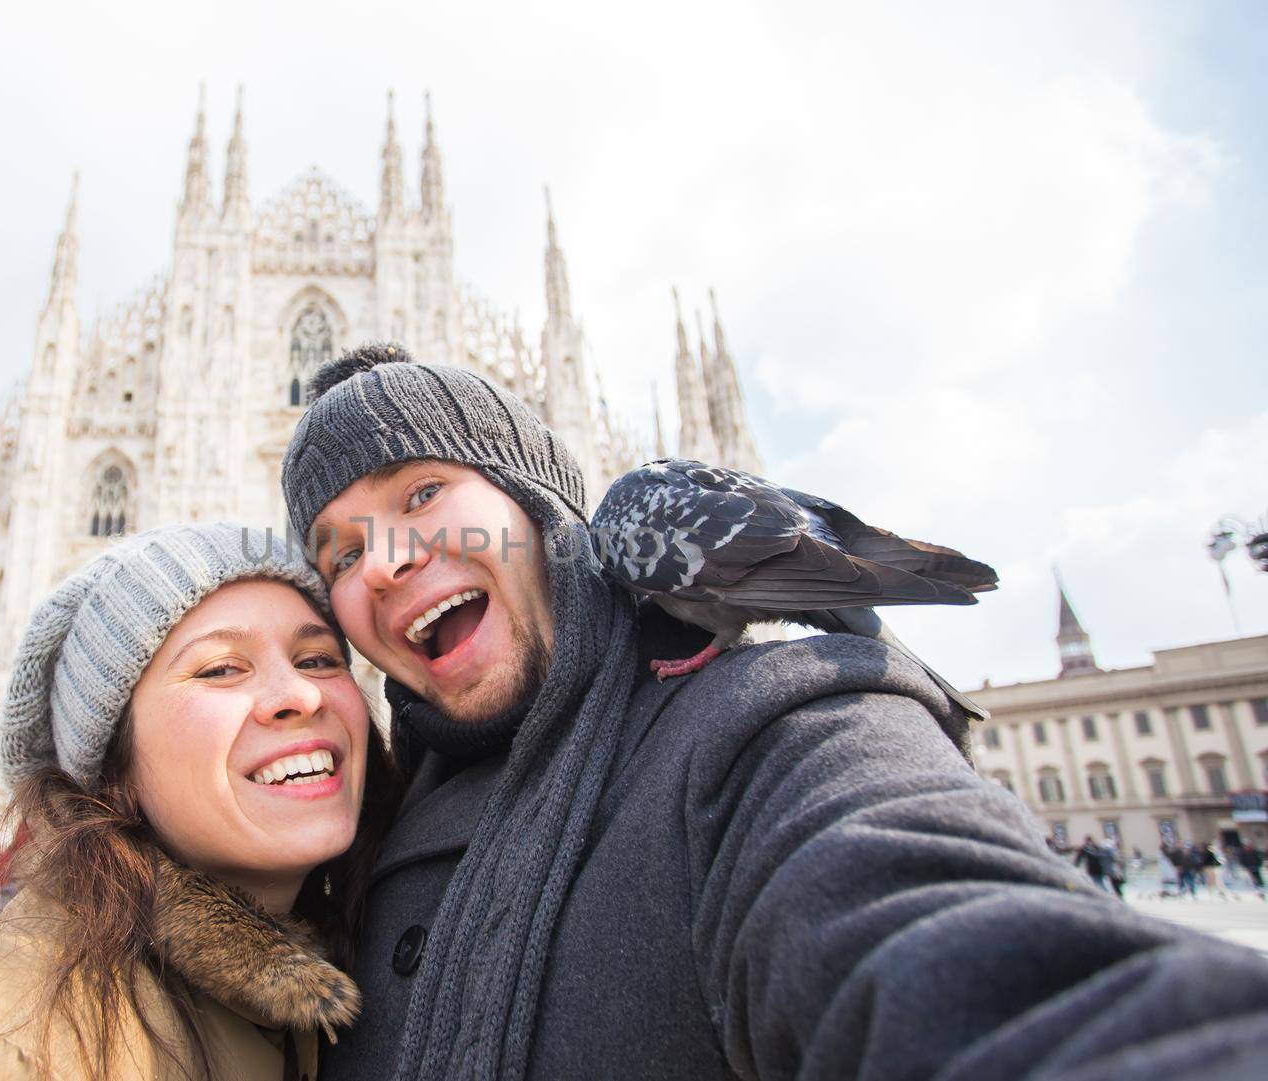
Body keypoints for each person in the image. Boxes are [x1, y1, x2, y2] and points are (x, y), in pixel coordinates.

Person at [281, 343, 1268, 1081]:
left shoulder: (773, 731)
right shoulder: (351, 826)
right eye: (339, 551)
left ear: (541, 511)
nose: (391, 554)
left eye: (424, 493)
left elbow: (943, 940)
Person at [0, 524, 397, 1080]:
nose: (300, 693)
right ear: (110, 764)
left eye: (320, 659)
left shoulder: (326, 975)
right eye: (221, 668)